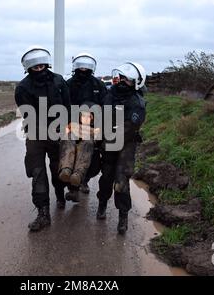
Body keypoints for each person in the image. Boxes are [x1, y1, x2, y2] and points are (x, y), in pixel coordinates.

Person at [15, 46, 70, 232]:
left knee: (57, 169)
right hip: (36, 136)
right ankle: (43, 213)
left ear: (47, 63)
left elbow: (68, 106)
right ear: (28, 68)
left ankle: (61, 195)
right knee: (37, 172)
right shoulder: (23, 87)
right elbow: (27, 114)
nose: (39, 69)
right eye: (35, 67)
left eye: (42, 66)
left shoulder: (59, 81)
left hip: (57, 133)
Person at [97, 62, 147, 235]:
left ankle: (123, 217)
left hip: (126, 145)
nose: (122, 82)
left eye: (127, 79)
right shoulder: (110, 94)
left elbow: (130, 127)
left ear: (135, 83)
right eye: (122, 78)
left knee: (121, 181)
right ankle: (102, 204)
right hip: (109, 144)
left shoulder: (137, 102)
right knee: (106, 178)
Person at [63, 53, 107, 201]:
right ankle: (73, 188)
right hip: (73, 125)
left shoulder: (99, 85)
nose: (83, 69)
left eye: (86, 66)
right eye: (80, 66)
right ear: (75, 67)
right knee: (71, 153)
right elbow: (63, 105)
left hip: (92, 128)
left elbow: (105, 106)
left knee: (91, 158)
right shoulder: (68, 84)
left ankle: (84, 181)